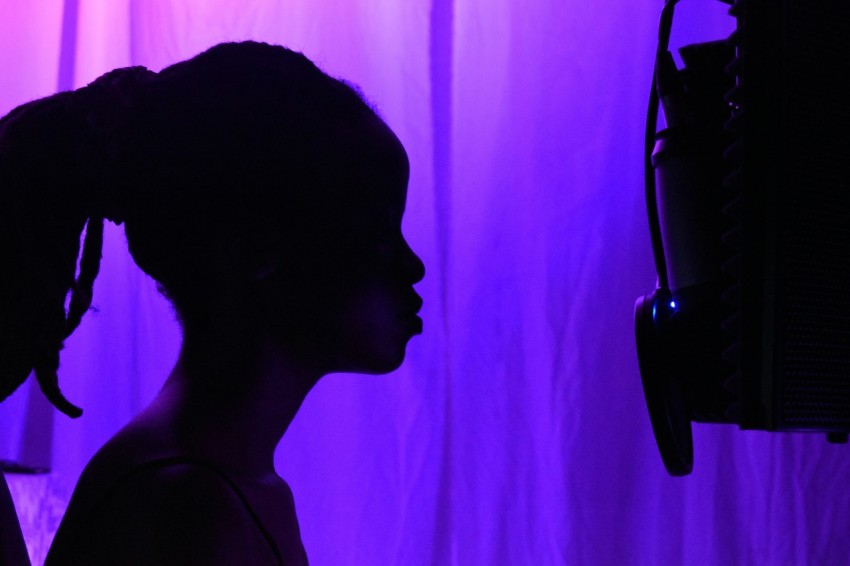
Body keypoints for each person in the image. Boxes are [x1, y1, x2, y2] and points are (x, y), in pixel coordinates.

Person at [0, 41, 425, 565]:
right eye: (380, 231)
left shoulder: (227, 488)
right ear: (260, 249)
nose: (413, 266)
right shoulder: (188, 509)